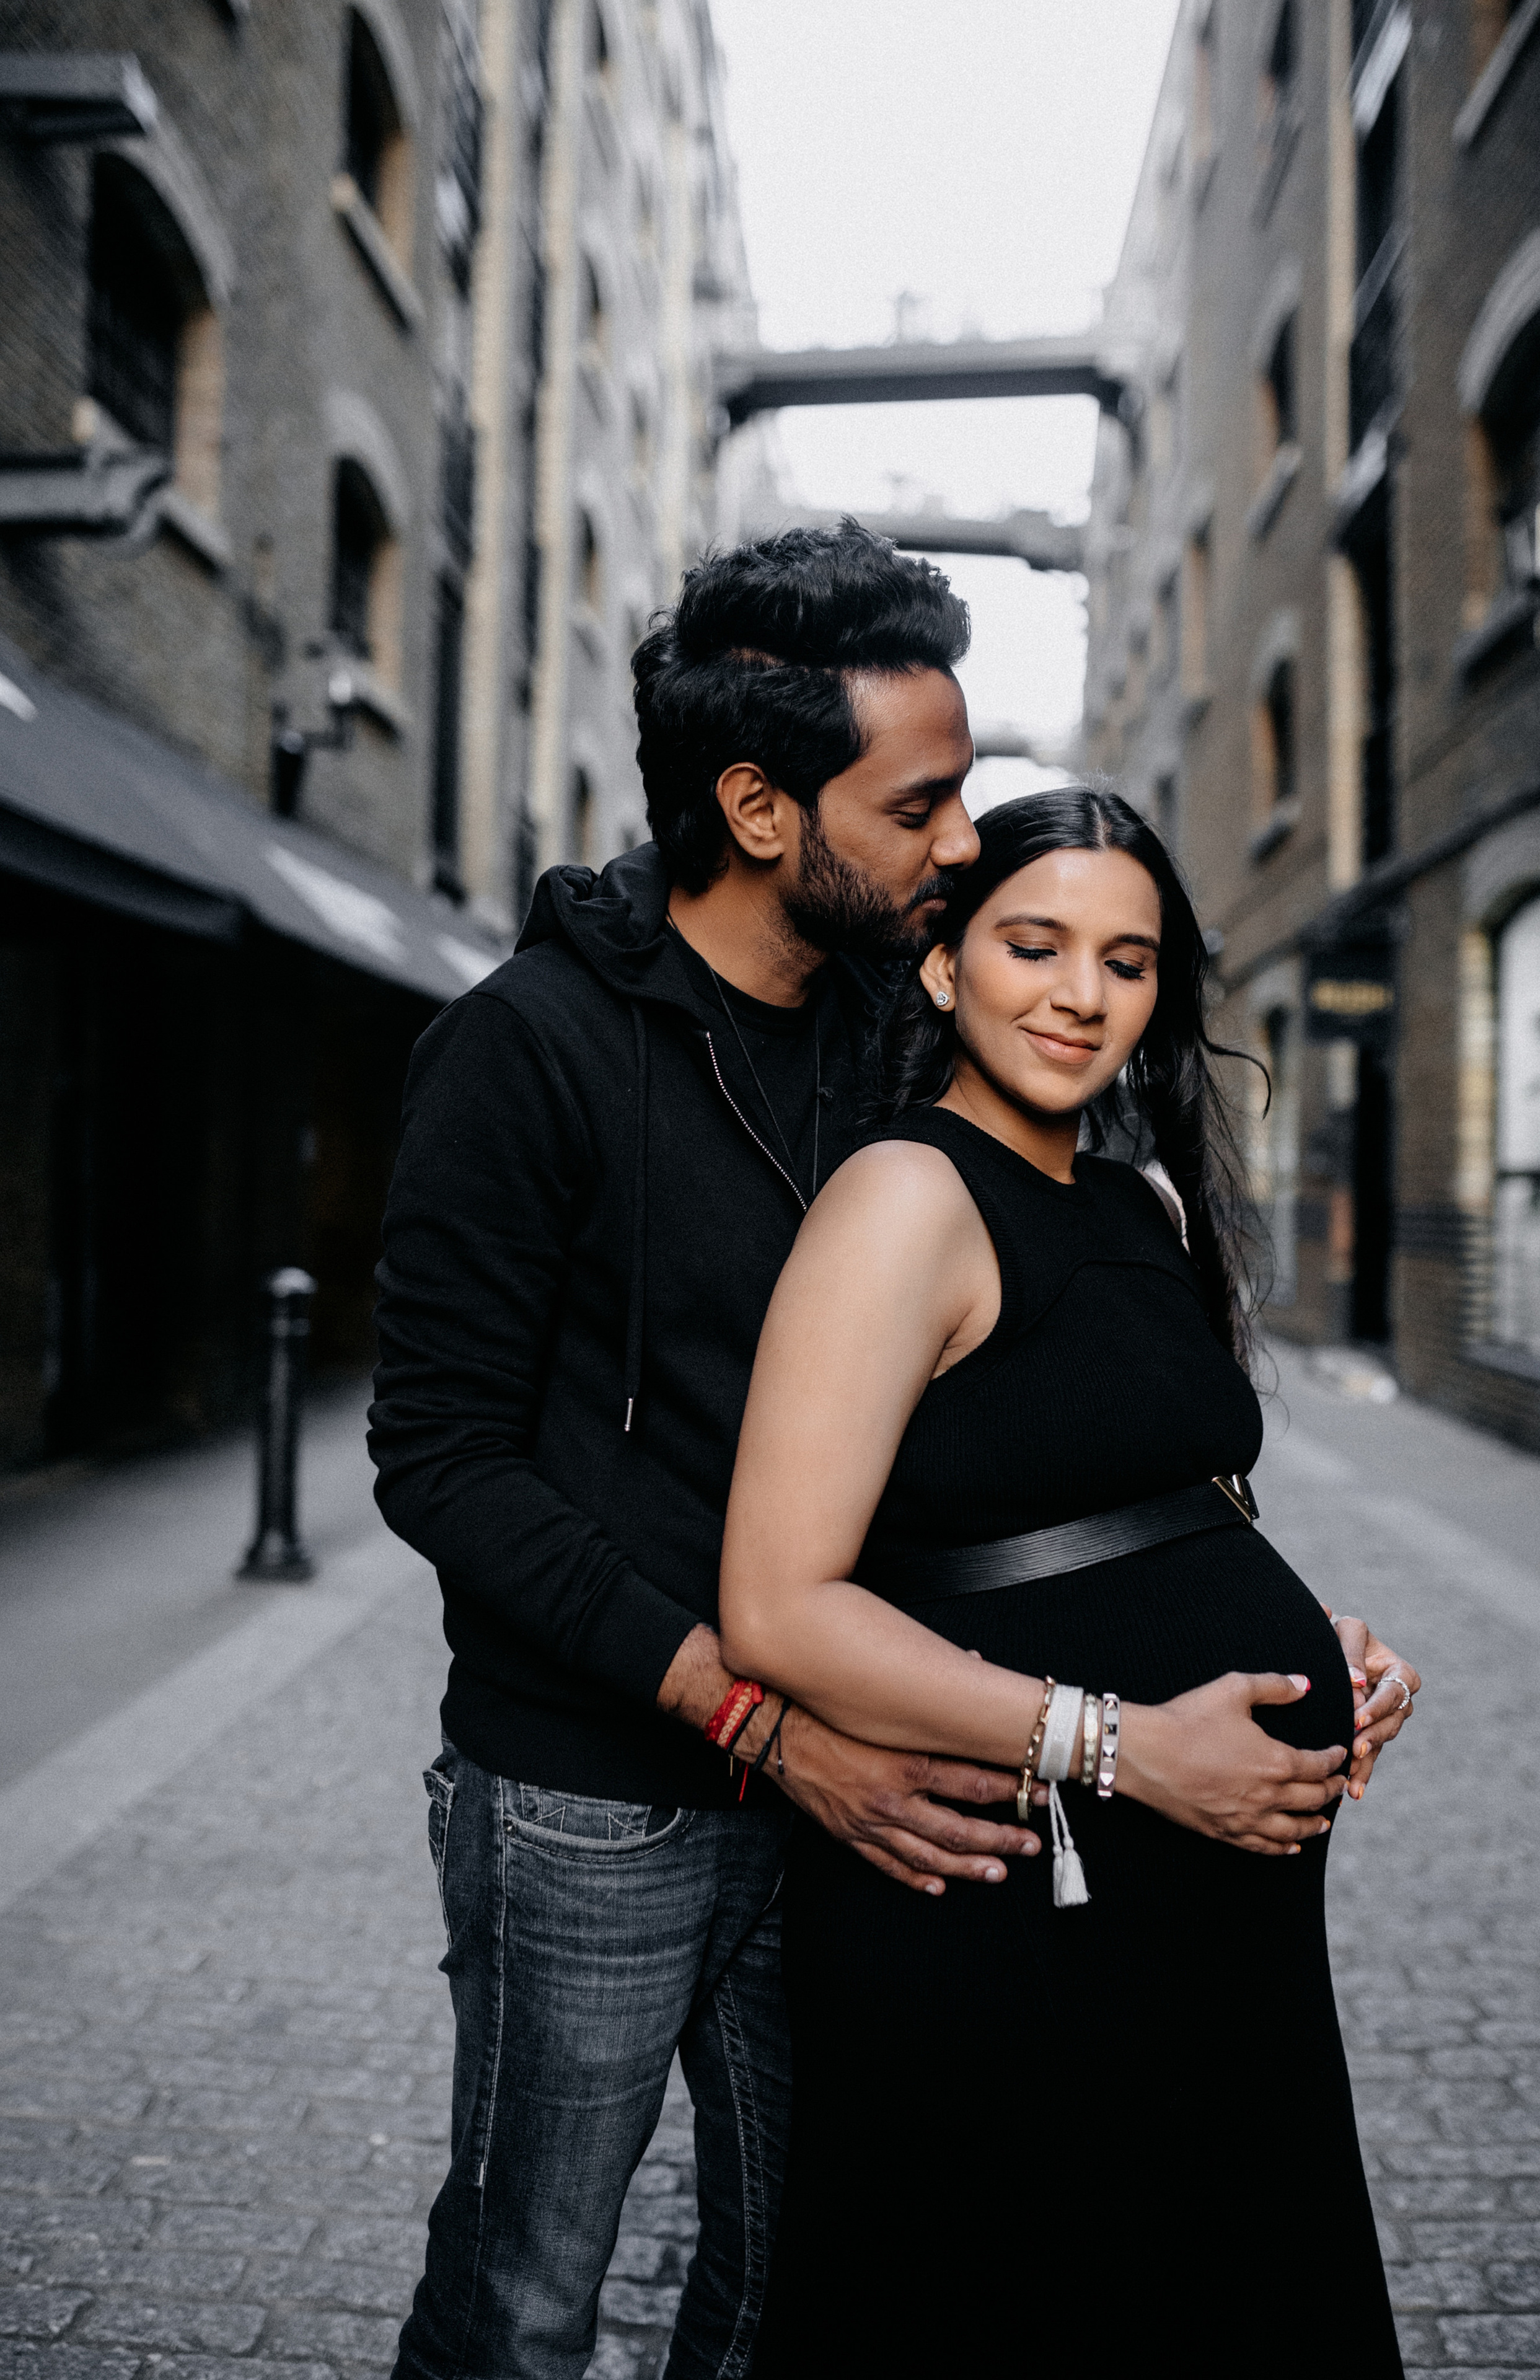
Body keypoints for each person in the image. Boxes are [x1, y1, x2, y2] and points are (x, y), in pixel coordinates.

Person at [369, 524, 1058, 2380]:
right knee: (526, 2302)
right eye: (919, 805)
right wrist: (759, 1721)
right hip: (589, 1793)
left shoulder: (901, 1056)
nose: (961, 843)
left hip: (867, 1792)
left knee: (789, 2283)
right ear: (761, 807)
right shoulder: (521, 1054)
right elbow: (439, 1462)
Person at [719, 786, 1420, 2378]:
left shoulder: (1143, 1204)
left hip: (1213, 1899)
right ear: (944, 967)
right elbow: (777, 1605)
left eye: (1127, 959)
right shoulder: (903, 1199)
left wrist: (1324, 1640)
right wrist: (1124, 1745)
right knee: (1012, 2298)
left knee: (1201, 2279)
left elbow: (1161, 1504)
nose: (1080, 994)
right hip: (1020, 1889)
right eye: (1033, 944)